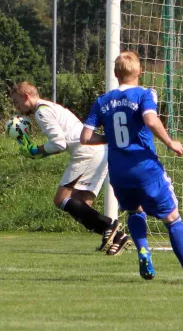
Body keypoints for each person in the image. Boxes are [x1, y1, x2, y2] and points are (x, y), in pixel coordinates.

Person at [80, 51, 183, 286]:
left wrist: (109, 137)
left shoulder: (102, 101)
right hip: (145, 167)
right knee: (172, 219)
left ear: (115, 74)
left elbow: (86, 137)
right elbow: (150, 121)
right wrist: (170, 143)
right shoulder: (144, 95)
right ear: (140, 71)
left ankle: (143, 250)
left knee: (134, 211)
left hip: (119, 172)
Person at [10, 82, 130, 255]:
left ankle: (110, 227)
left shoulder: (42, 112)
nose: (17, 107)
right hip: (98, 152)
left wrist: (37, 151)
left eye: (16, 102)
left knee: (61, 200)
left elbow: (59, 143)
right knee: (81, 204)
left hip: (86, 152)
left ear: (26, 96)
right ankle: (115, 236)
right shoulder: (50, 107)